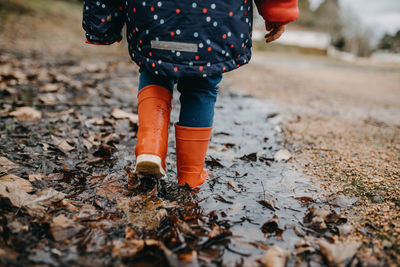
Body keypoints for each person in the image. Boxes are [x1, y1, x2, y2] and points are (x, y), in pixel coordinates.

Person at [82, 0, 298, 188]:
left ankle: (151, 147)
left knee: (155, 71)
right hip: (215, 16)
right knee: (202, 86)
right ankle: (191, 175)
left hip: (153, 12)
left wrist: (102, 23)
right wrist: (277, 12)